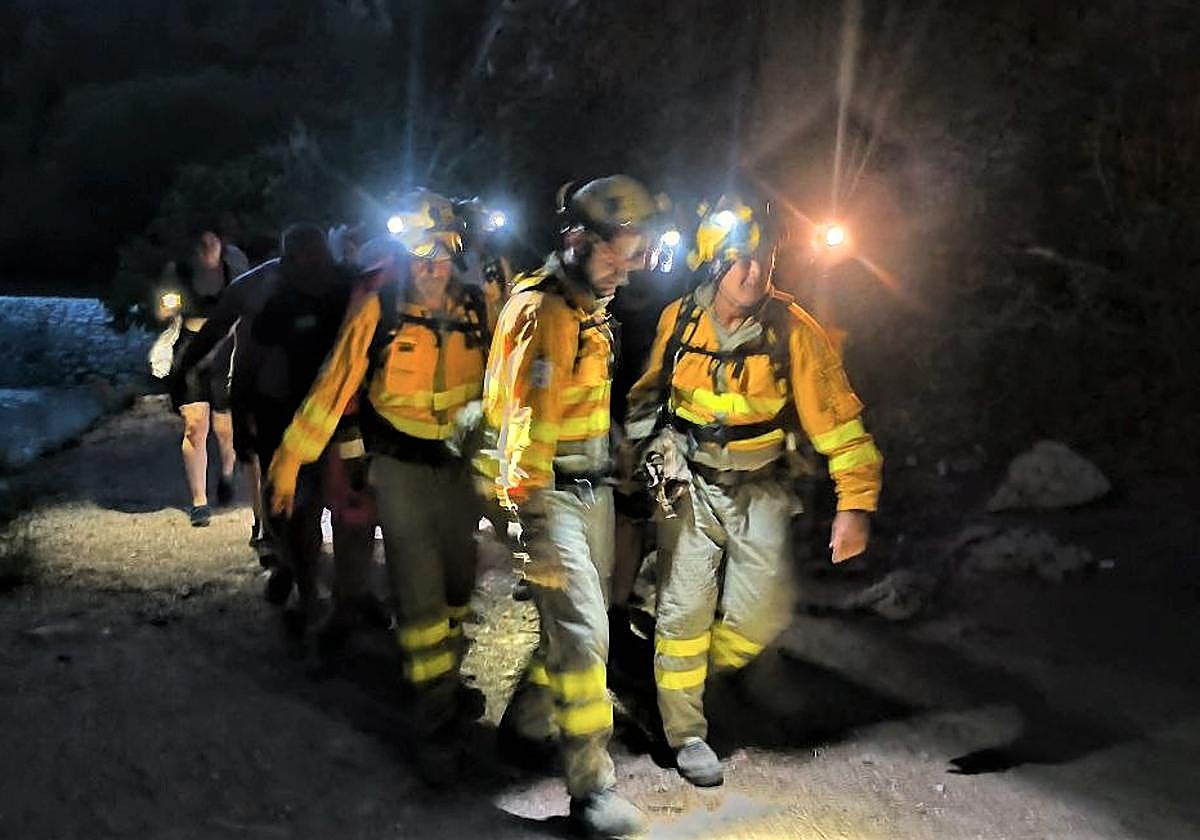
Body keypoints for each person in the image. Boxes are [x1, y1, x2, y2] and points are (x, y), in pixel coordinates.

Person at [624, 194, 884, 788]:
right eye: (741, 259)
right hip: (689, 489)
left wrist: (857, 504)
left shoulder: (794, 331)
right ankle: (685, 732)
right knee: (682, 610)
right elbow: (646, 397)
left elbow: (841, 425)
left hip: (761, 488)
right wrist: (651, 451)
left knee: (764, 613)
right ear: (715, 262)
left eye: (764, 257)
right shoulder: (680, 319)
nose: (755, 271)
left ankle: (698, 672)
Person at [267, 190, 493, 777]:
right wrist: (290, 462)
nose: (433, 266)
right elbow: (333, 385)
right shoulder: (378, 306)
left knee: (458, 588)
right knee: (419, 598)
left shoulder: (481, 306)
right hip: (399, 469)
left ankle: (444, 676)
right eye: (421, 253)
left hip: (459, 469)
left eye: (444, 253)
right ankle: (434, 722)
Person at [478, 175, 664, 838]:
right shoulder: (547, 312)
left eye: (639, 248)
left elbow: (579, 409)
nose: (635, 262)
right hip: (546, 495)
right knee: (584, 633)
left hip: (588, 490)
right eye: (624, 248)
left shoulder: (591, 305)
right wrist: (531, 528)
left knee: (580, 624)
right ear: (581, 240)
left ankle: (525, 726)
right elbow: (522, 427)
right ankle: (593, 789)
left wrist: (617, 455)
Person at [161, 223, 249, 526]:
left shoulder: (234, 267)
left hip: (225, 349)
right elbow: (161, 310)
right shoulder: (180, 271)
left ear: (221, 243)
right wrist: (168, 305)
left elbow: (245, 308)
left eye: (213, 240)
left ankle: (227, 472)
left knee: (225, 429)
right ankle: (199, 501)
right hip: (191, 349)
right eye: (203, 241)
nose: (208, 246)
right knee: (195, 426)